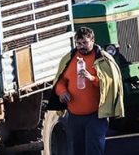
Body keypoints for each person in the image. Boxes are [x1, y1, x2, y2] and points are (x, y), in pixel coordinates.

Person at [52, 27, 124, 155]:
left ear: (93, 41)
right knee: (77, 151)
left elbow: (110, 84)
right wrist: (62, 92)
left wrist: (92, 78)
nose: (81, 46)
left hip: (96, 116)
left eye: (85, 43)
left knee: (94, 150)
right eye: (78, 43)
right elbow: (60, 81)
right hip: (74, 117)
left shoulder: (102, 59)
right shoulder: (69, 59)